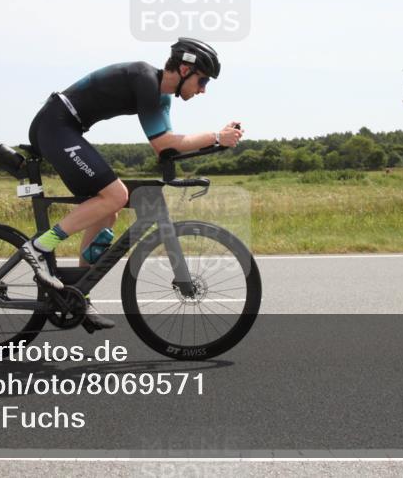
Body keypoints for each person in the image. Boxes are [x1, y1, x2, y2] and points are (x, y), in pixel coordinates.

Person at [21, 38, 244, 330]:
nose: (203, 89)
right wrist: (215, 136)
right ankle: (39, 247)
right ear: (185, 68)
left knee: (106, 210)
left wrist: (216, 146)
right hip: (56, 125)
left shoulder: (161, 97)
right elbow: (164, 142)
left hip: (66, 129)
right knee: (116, 195)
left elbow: (167, 149)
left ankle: (77, 296)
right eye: (202, 80)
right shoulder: (145, 79)